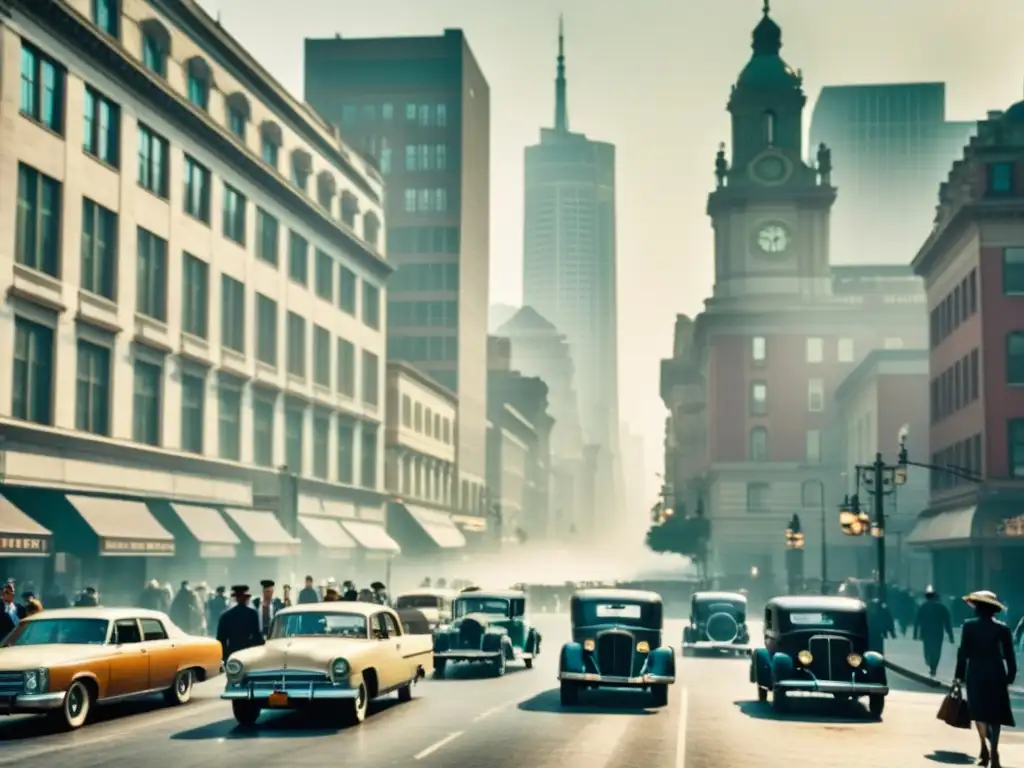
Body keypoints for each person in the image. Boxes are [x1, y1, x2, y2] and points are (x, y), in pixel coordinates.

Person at [954, 590, 1017, 768]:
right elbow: (1010, 656)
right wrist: (1010, 675)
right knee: (995, 714)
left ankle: (984, 748)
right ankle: (994, 749)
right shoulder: (1003, 629)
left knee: (979, 712)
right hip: (996, 672)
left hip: (975, 672)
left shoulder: (968, 626)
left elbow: (963, 654)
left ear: (978, 609)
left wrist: (958, 677)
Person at [216, 585, 264, 662]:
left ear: (235, 598)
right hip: (248, 652)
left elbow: (221, 639)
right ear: (246, 599)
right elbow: (257, 636)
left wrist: (225, 656)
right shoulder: (252, 614)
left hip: (232, 652)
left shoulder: (226, 615)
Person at [914, 586, 954, 676]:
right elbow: (947, 623)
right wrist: (951, 636)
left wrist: (915, 633)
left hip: (926, 632)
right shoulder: (942, 608)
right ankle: (934, 666)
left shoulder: (923, 607)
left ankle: (929, 661)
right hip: (938, 633)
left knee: (927, 648)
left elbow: (917, 621)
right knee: (937, 650)